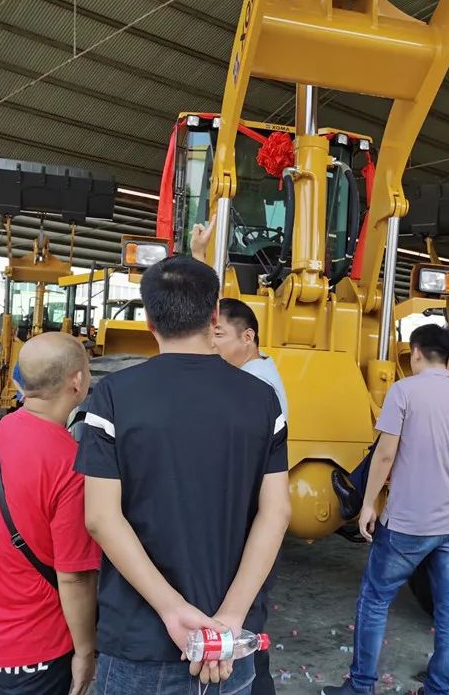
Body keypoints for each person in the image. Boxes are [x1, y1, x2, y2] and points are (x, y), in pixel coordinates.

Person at [77, 256, 290, 694]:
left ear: (149, 319)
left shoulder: (113, 395)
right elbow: (276, 513)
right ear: (214, 315)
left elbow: (101, 518)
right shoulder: (262, 400)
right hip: (231, 645)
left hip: (140, 639)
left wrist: (172, 610)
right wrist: (230, 619)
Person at [322, 324, 449, 695]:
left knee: (375, 600)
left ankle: (361, 687)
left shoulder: (404, 391)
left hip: (405, 526)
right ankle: (438, 689)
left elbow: (385, 454)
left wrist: (367, 503)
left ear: (415, 354)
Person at [0, 332, 99, 695]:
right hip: (36, 650)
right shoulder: (71, 464)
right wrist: (85, 651)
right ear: (77, 380)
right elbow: (74, 577)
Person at [211, 297, 287, 695]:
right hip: (250, 518)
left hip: (246, 522)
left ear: (248, 337)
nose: (212, 343)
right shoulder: (259, 373)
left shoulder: (255, 386)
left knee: (246, 632)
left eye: (219, 334)